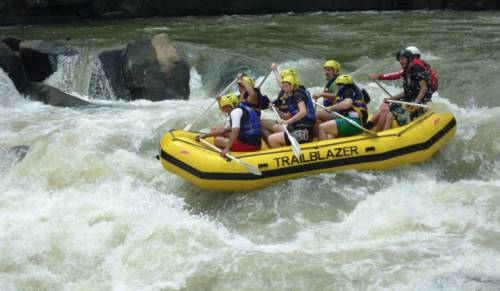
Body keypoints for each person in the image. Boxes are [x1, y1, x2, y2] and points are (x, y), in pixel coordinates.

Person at [370, 49, 433, 131]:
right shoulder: (407, 71)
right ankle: (372, 129)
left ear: (409, 59)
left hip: (420, 103)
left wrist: (416, 102)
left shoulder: (416, 69)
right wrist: (390, 99)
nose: (400, 61)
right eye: (399, 59)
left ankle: (383, 138)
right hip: (409, 100)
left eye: (403, 59)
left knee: (390, 116)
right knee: (385, 108)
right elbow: (406, 93)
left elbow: (424, 88)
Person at [196, 93, 262, 155]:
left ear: (231, 106)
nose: (222, 107)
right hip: (254, 143)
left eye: (225, 106)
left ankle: (223, 155)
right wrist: (204, 136)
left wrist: (227, 148)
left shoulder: (235, 112)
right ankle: (229, 148)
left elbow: (236, 131)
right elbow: (223, 131)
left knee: (218, 140)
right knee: (223, 131)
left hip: (250, 146)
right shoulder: (241, 107)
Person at [267, 75, 317, 148]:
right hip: (297, 128)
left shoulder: (298, 95)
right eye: (283, 86)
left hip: (305, 132)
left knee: (271, 139)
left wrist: (287, 122)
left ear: (292, 86)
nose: (283, 88)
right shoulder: (291, 98)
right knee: (276, 128)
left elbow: (303, 112)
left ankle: (283, 157)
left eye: (286, 86)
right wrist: (275, 109)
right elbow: (286, 116)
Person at [317, 74, 369, 140]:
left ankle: (323, 149)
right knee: (330, 135)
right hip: (357, 122)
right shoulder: (353, 91)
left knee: (322, 127)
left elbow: (348, 103)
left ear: (344, 85)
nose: (338, 87)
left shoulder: (347, 91)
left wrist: (332, 108)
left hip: (353, 123)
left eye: (339, 85)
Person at [312, 60, 342, 136]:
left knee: (315, 115)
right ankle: (320, 135)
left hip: (339, 113)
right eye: (325, 70)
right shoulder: (330, 83)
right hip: (332, 111)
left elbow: (337, 95)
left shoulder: (336, 83)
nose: (326, 72)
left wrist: (321, 94)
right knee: (315, 116)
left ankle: (317, 138)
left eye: (329, 70)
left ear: (335, 71)